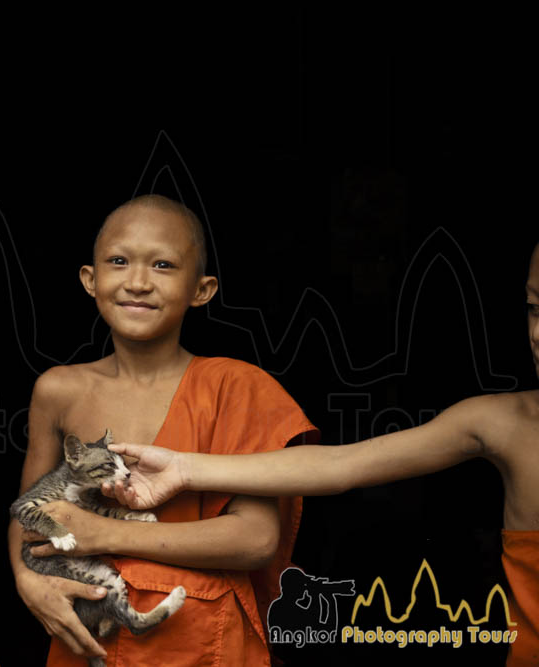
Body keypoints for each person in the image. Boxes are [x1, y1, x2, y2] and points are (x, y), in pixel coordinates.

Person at [102, 242, 539, 666]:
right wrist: (184, 467)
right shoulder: (504, 422)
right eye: (534, 308)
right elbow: (340, 464)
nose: (537, 334)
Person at [9, 194, 318, 665]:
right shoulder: (59, 390)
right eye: (119, 261)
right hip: (89, 635)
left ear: (202, 289)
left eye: (163, 265)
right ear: (90, 280)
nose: (137, 282)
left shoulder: (234, 386)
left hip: (202, 637)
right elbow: (28, 515)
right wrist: (27, 581)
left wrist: (102, 533)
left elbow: (256, 539)